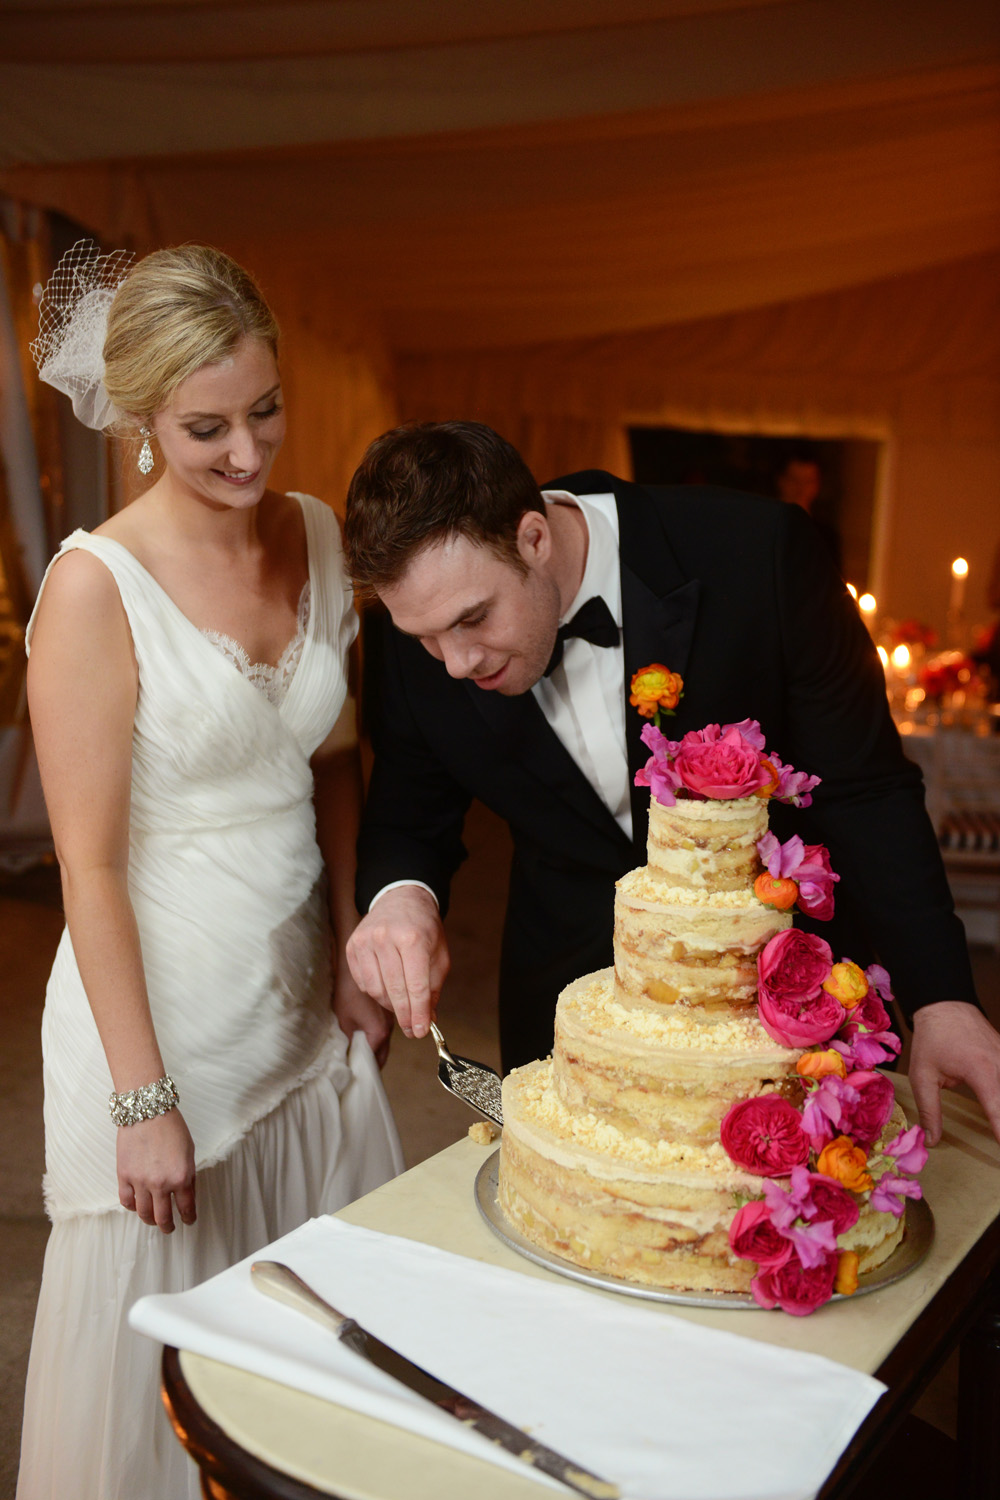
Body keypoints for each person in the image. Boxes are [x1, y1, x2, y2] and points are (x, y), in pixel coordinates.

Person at [18, 244, 402, 1500]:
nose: (250, 454)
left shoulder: (320, 533)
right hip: (161, 1020)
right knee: (162, 1379)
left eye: (266, 410)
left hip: (296, 994)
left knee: (312, 1362)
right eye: (205, 428)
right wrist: (142, 1099)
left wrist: (353, 940)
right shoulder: (92, 589)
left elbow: (336, 758)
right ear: (140, 420)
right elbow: (88, 865)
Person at [343, 420, 1000, 1148]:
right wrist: (401, 900)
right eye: (425, 638)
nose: (455, 662)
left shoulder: (760, 554)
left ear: (533, 537)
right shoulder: (419, 646)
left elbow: (866, 788)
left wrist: (941, 996)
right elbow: (408, 814)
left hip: (774, 1000)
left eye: (473, 619)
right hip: (569, 1001)